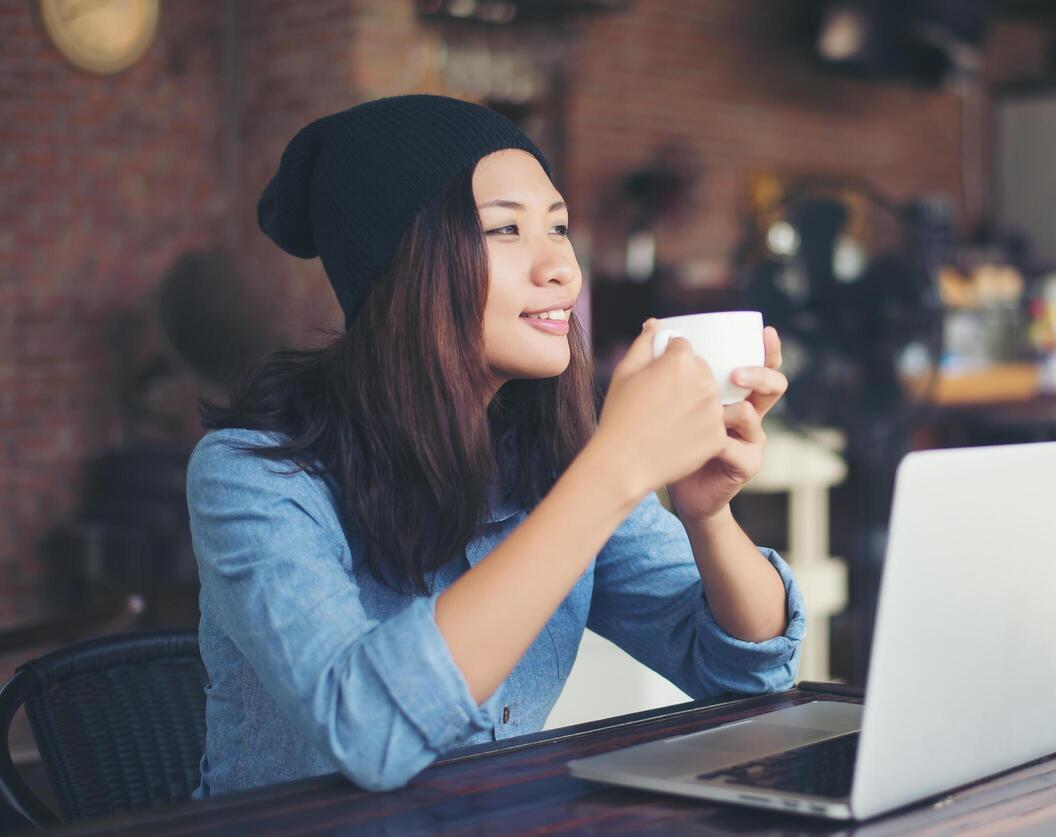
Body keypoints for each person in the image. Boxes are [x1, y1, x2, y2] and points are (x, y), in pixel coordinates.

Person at [187, 95, 805, 797]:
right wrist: (615, 468)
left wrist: (705, 514)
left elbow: (745, 672)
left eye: (560, 228)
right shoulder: (254, 475)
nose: (561, 271)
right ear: (404, 265)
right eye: (505, 229)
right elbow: (365, 730)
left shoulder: (550, 458)